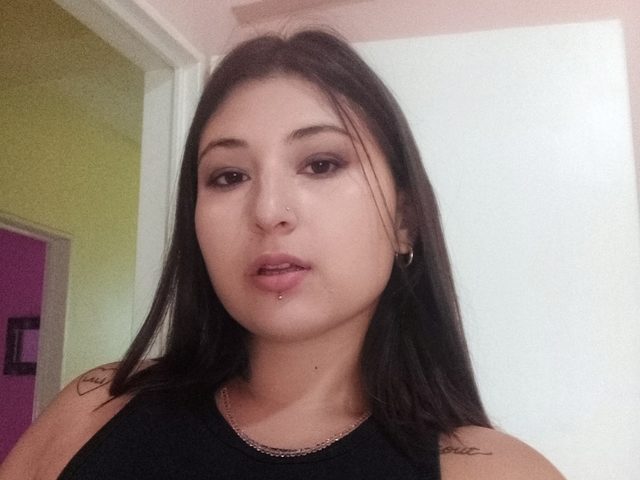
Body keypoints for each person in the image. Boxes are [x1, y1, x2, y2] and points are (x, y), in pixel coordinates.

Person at [0, 30, 565, 479]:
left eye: (321, 164)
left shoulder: (494, 470)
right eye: (228, 176)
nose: (268, 211)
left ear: (404, 222)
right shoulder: (95, 410)